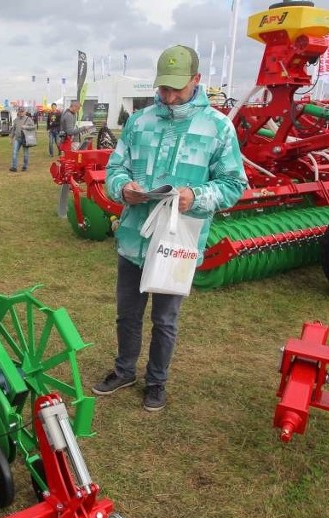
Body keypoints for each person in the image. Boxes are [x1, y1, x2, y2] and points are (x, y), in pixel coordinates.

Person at [91, 44, 248, 411]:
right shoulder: (139, 121)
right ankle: (124, 369)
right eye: (163, 87)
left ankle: (156, 381)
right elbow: (116, 169)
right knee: (127, 313)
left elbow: (234, 184)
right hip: (133, 238)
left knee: (165, 319)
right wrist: (122, 189)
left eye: (177, 87)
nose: (169, 95)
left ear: (197, 79)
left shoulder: (218, 128)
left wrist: (197, 195)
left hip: (178, 243)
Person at [9, 107, 35, 172]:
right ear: (18, 112)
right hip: (17, 139)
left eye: (22, 111)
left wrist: (25, 127)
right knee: (14, 153)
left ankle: (25, 166)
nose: (21, 113)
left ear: (25, 112)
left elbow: (33, 127)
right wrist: (11, 138)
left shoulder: (28, 119)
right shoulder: (16, 120)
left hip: (25, 139)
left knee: (25, 154)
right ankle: (14, 167)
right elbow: (13, 129)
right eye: (20, 111)